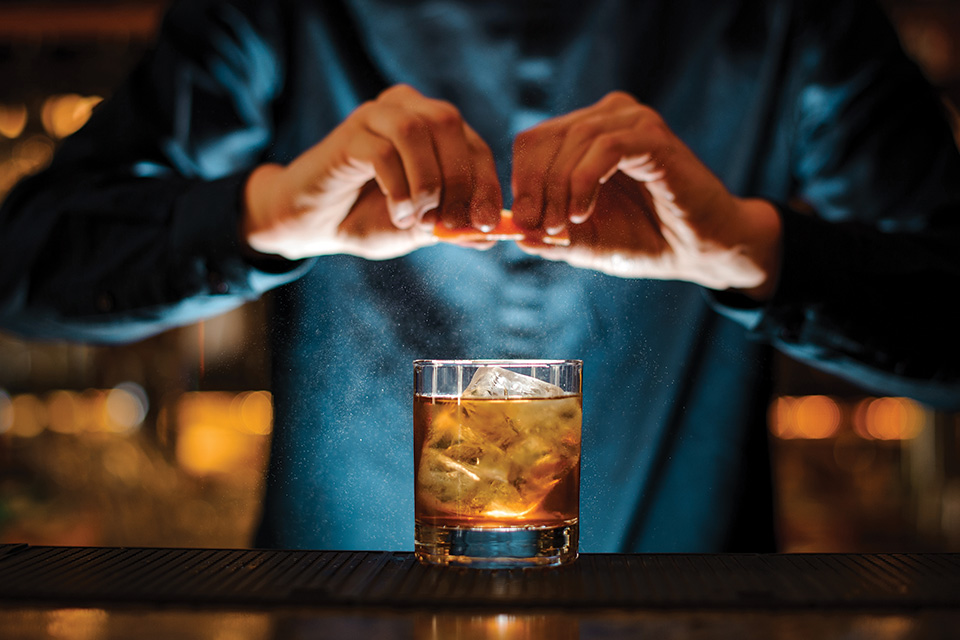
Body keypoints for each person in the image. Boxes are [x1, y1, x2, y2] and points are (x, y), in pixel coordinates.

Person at [1, 0, 959, 552]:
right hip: (346, 612)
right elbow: (27, 268)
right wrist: (264, 217)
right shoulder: (273, 10)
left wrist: (745, 246)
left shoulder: (799, 15)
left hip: (687, 609)